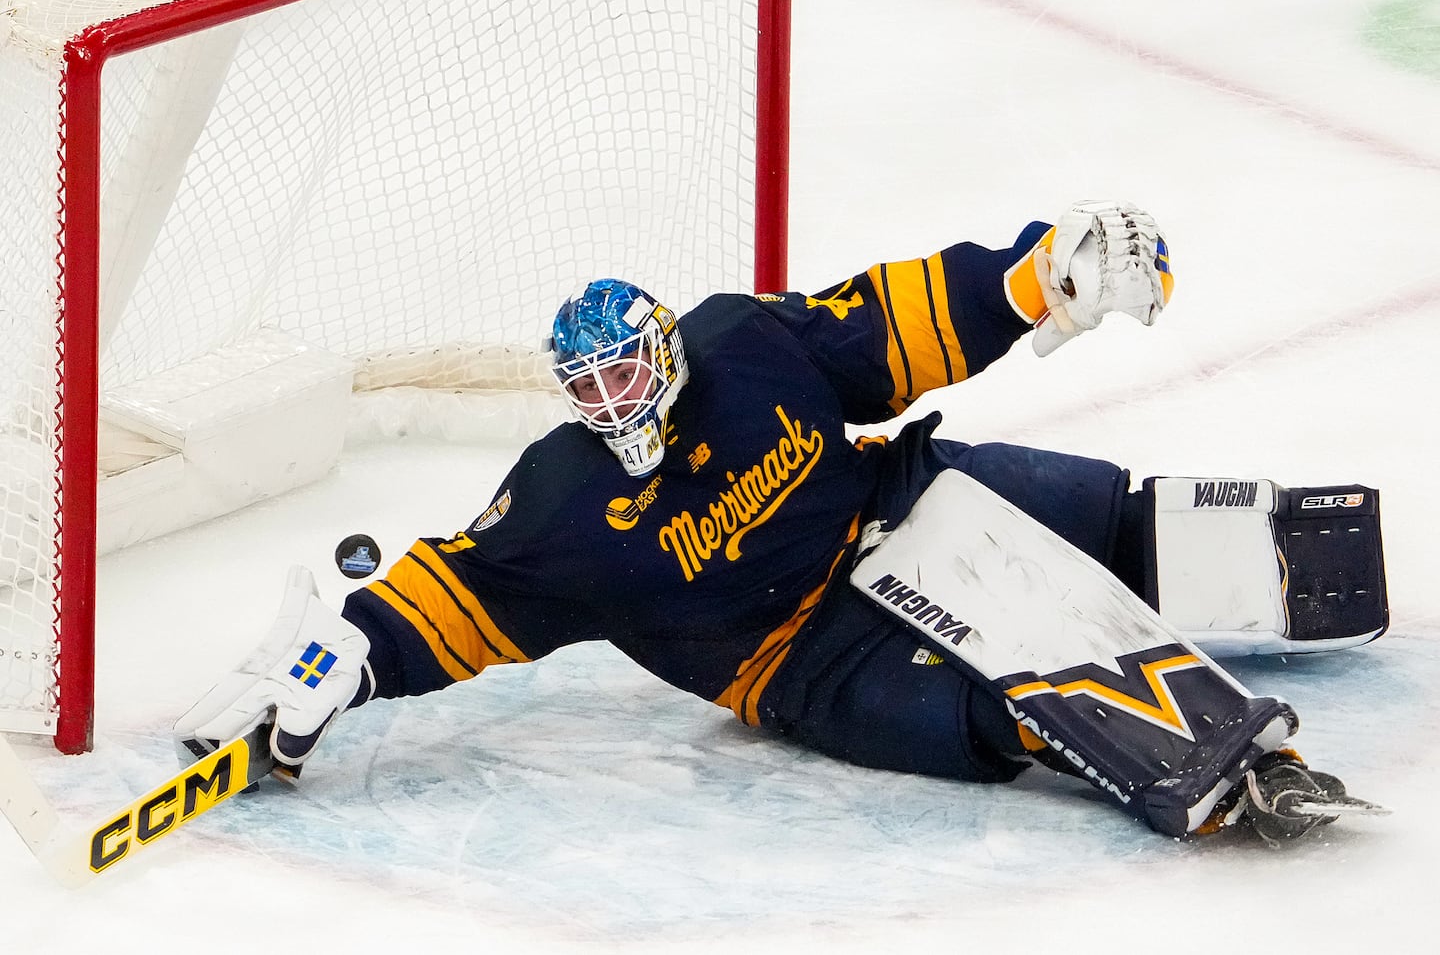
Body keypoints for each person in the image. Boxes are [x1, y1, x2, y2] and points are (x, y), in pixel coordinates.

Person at [175, 201, 1386, 846]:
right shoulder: (565, 499)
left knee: (1112, 520)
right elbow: (464, 591)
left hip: (900, 503)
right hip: (801, 660)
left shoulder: (743, 345)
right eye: (586, 391)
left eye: (625, 375)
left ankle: (1296, 578)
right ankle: (1191, 762)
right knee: (1005, 699)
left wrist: (1040, 271)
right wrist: (354, 653)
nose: (613, 404)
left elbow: (893, 322)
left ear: (664, 350)